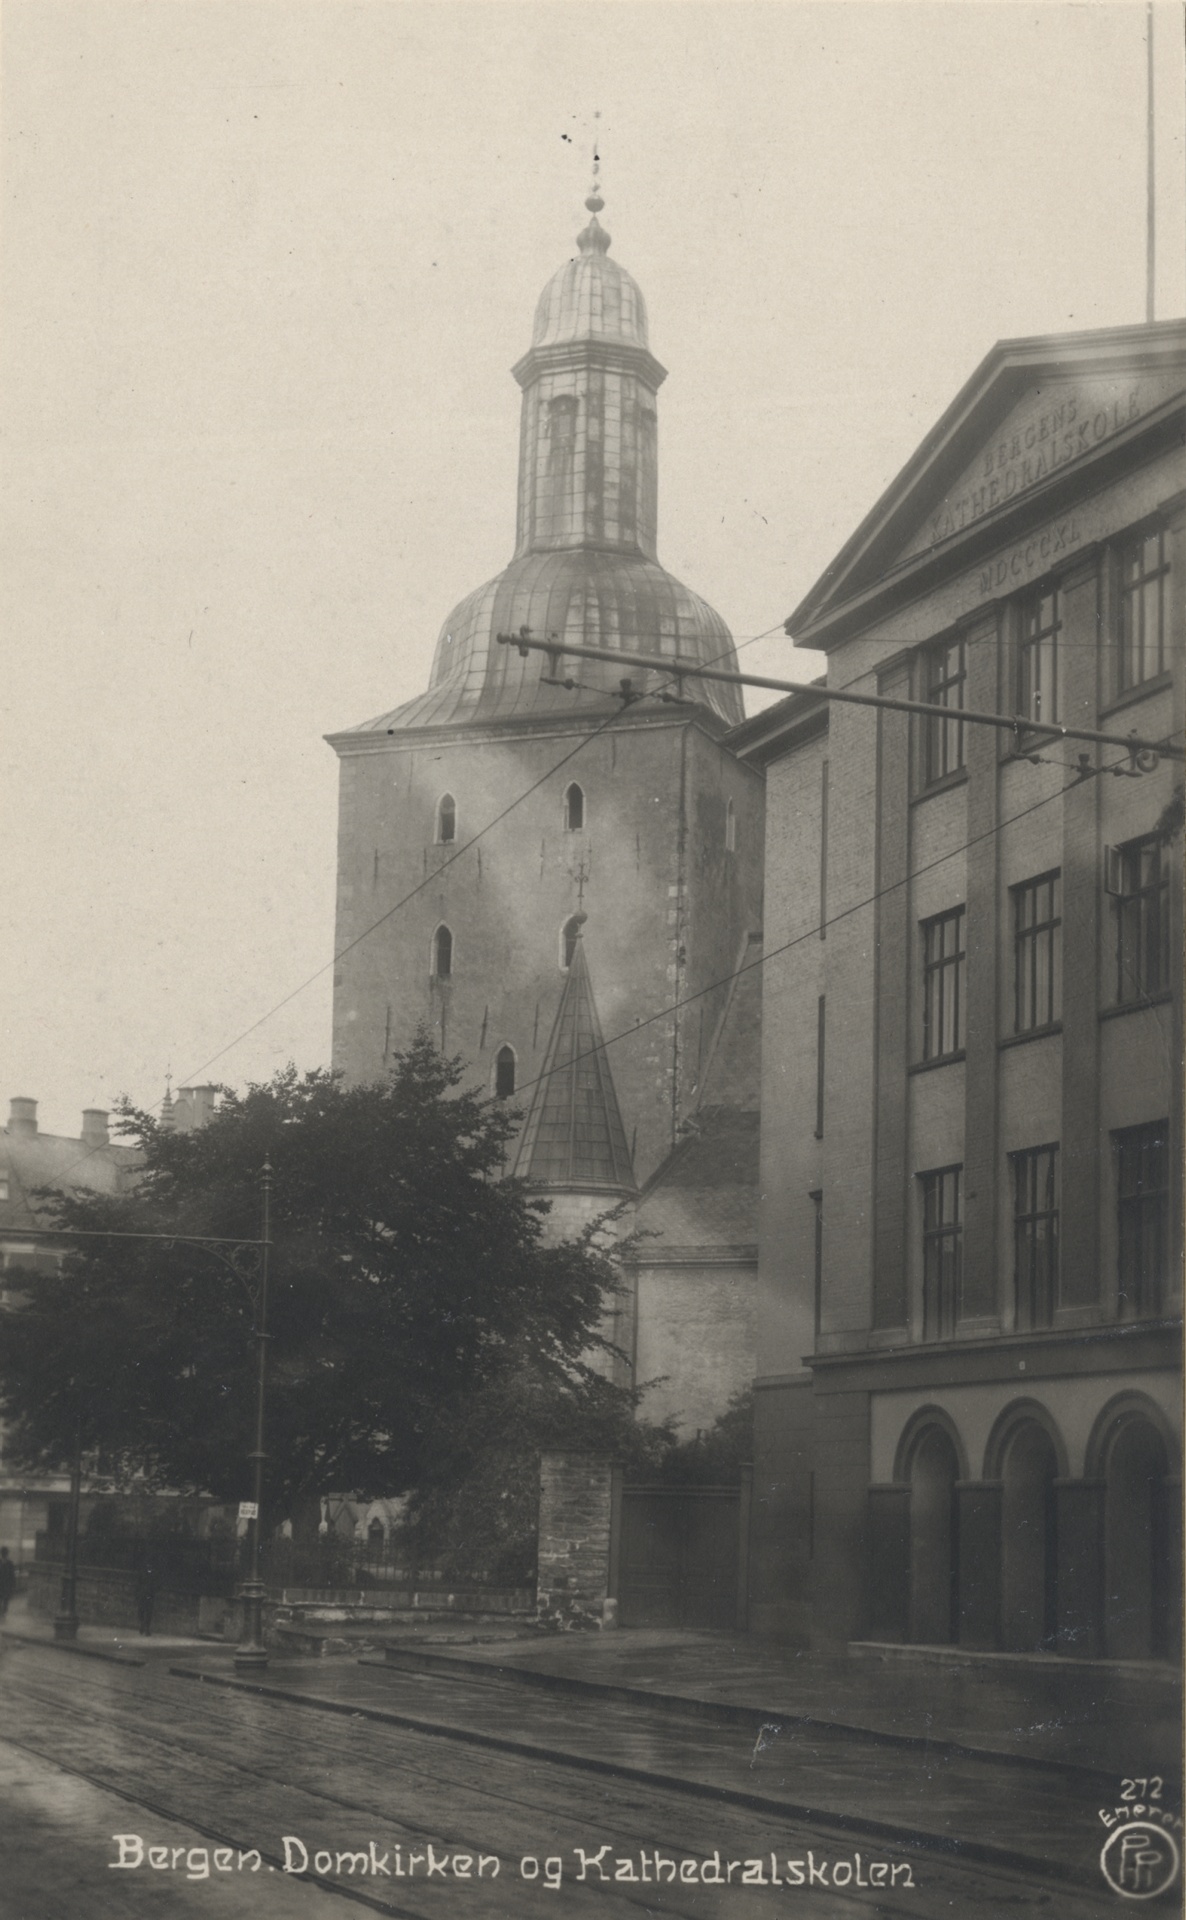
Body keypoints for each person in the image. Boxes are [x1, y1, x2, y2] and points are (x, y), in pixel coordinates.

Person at [135, 1560, 158, 1637]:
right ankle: (142, 1624)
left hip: (150, 1596)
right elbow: (138, 1583)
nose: (149, 1567)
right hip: (142, 1595)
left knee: (149, 1612)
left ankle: (147, 1628)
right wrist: (138, 1593)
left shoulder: (154, 1574)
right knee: (141, 1611)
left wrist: (153, 1592)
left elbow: (156, 1585)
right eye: (148, 1565)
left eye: (150, 1566)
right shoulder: (142, 1573)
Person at [0, 1547, 15, 1620]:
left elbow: (12, 1576)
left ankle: (3, 1613)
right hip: (2, 1585)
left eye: (4, 1553)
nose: (4, 1555)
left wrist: (12, 1585)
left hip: (6, 1585)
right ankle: (2, 1613)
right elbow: (13, 1576)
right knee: (3, 1599)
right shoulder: (9, 1563)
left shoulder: (10, 1563)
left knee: (5, 1600)